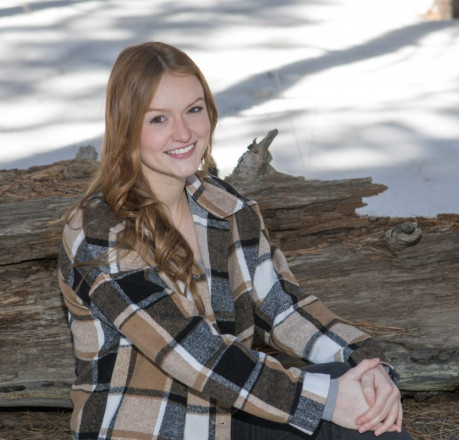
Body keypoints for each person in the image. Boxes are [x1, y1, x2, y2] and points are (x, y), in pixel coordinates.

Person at [58, 41, 413, 440]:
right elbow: (193, 354)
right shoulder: (100, 231)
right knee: (337, 401)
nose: (184, 132)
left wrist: (368, 365)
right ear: (125, 127)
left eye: (194, 110)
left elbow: (282, 308)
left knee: (368, 406)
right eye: (158, 119)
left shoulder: (225, 208)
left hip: (224, 412)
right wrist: (327, 399)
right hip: (147, 426)